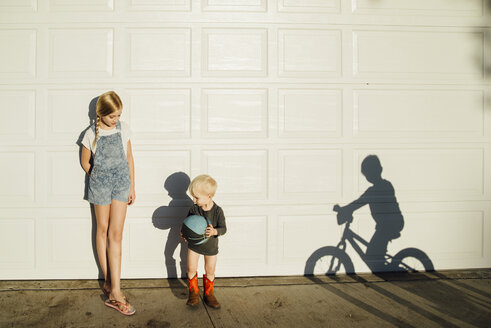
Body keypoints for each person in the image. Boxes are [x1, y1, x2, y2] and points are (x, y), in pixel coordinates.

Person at [80, 91, 136, 315]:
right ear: (101, 115)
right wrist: (99, 177)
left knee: (117, 234)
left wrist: (132, 186)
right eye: (112, 116)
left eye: (119, 115)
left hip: (121, 184)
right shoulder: (90, 134)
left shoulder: (123, 129)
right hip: (101, 185)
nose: (116, 120)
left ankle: (115, 289)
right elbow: (86, 162)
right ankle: (110, 284)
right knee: (101, 230)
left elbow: (129, 157)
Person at [334, 155, 404, 272]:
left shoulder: (377, 189)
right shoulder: (385, 185)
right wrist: (346, 209)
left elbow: (358, 203)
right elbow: (358, 203)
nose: (368, 177)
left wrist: (343, 210)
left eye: (368, 173)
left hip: (390, 225)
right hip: (387, 224)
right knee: (374, 254)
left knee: (372, 255)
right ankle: (384, 269)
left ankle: (390, 272)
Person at [182, 175, 227, 309]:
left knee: (210, 270)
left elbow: (224, 229)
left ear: (209, 196)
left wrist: (214, 232)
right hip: (194, 246)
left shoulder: (218, 211)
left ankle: (209, 294)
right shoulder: (194, 209)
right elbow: (186, 224)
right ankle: (193, 293)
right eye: (193, 197)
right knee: (191, 268)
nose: (194, 200)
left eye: (197, 197)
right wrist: (184, 233)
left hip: (211, 247)